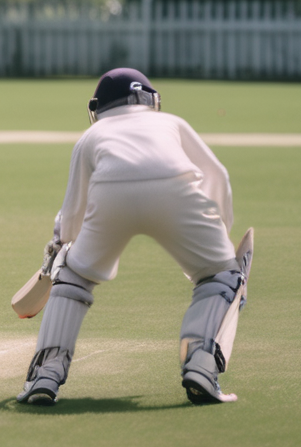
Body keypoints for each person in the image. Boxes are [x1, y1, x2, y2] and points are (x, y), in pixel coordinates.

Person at [16, 68, 248, 406]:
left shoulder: (90, 136)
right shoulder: (171, 122)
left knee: (74, 275)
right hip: (176, 190)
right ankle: (200, 362)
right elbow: (218, 175)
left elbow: (72, 210)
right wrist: (218, 238)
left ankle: (46, 374)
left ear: (99, 108)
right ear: (151, 99)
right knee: (222, 276)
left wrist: (61, 246)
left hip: (112, 195)